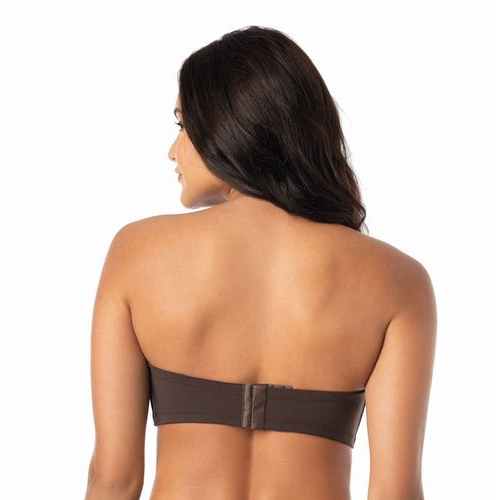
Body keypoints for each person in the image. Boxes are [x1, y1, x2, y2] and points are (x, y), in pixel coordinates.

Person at [85, 25, 436, 500]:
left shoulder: (137, 252)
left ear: (230, 124)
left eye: (183, 126)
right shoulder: (399, 282)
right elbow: (397, 493)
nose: (173, 150)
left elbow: (114, 480)